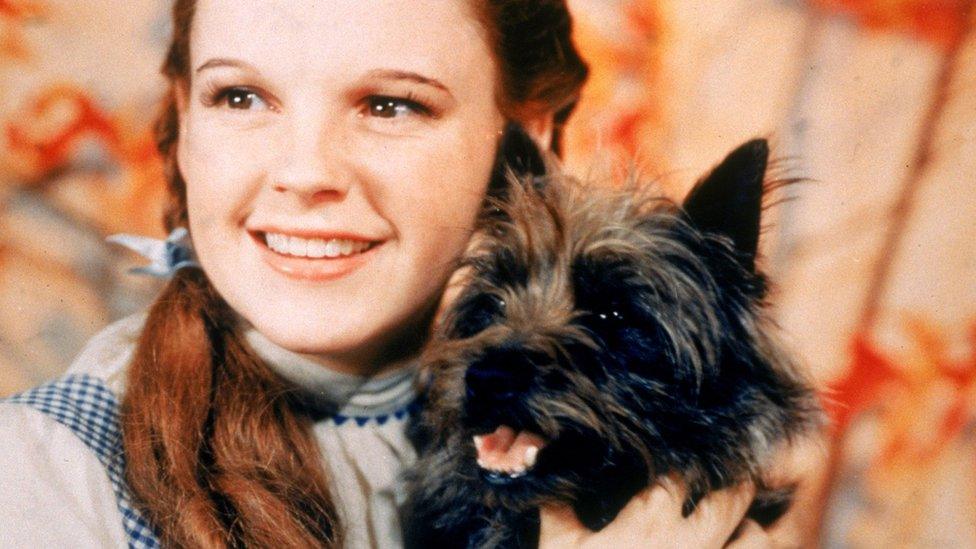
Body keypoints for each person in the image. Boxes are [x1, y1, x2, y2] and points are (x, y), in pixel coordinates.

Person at [0, 1, 792, 547]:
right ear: (182, 116)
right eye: (240, 95)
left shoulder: (550, 445)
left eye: (390, 104)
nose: (305, 171)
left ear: (526, 137)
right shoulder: (48, 471)